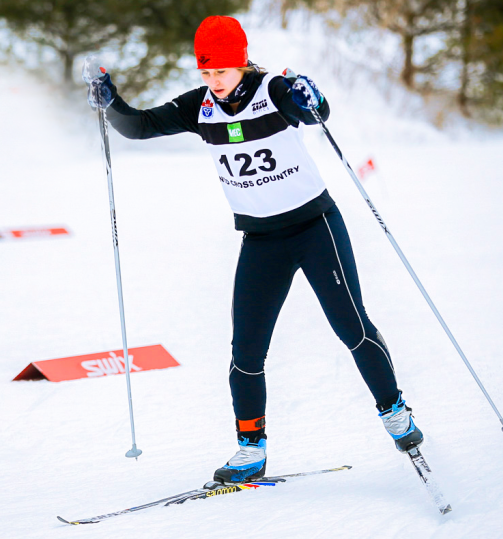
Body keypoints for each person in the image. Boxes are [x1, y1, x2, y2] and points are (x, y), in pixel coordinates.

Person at [87, 15, 423, 484]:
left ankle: (395, 411)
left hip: (315, 227)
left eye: (220, 72)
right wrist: (111, 102)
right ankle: (251, 449)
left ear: (241, 63)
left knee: (351, 326)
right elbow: (139, 127)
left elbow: (316, 113)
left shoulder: (274, 91)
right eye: (205, 73)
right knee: (246, 350)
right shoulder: (199, 107)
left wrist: (313, 95)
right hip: (261, 241)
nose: (213, 83)